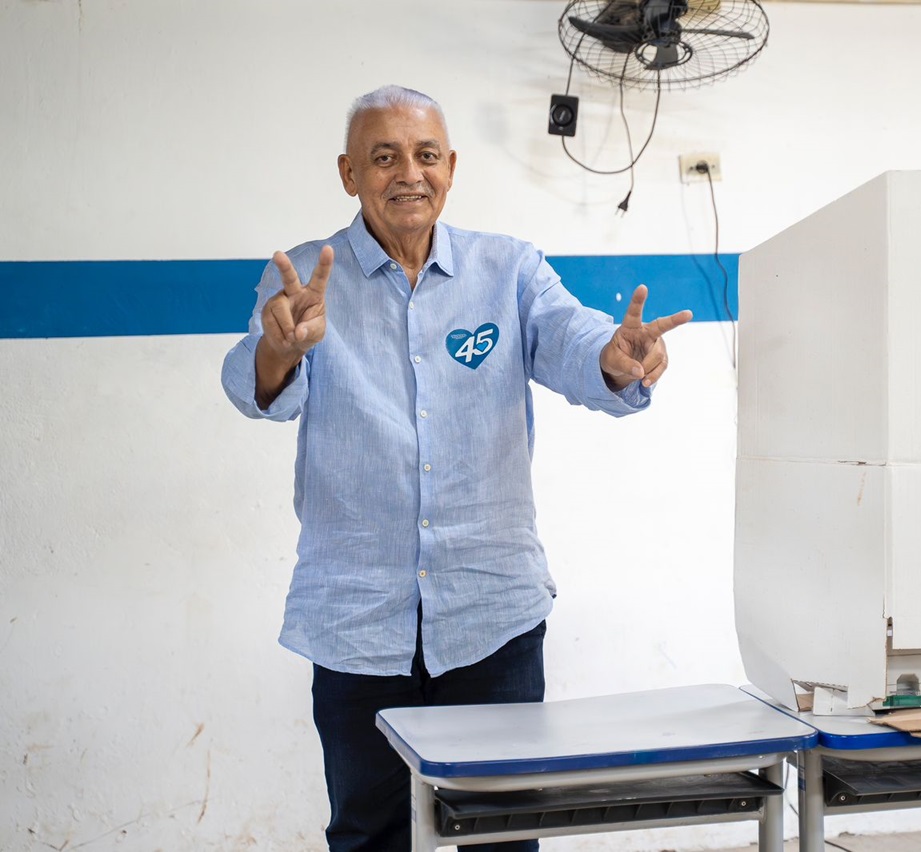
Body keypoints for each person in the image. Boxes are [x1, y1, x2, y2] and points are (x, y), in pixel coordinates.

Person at [221, 84, 692, 852]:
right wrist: (278, 349)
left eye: (426, 154)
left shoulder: (508, 269)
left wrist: (614, 358)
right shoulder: (304, 277)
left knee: (502, 833)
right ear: (349, 173)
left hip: (491, 617)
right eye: (384, 157)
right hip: (356, 622)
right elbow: (257, 387)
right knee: (370, 831)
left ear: (451, 167)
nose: (409, 173)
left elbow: (572, 340)